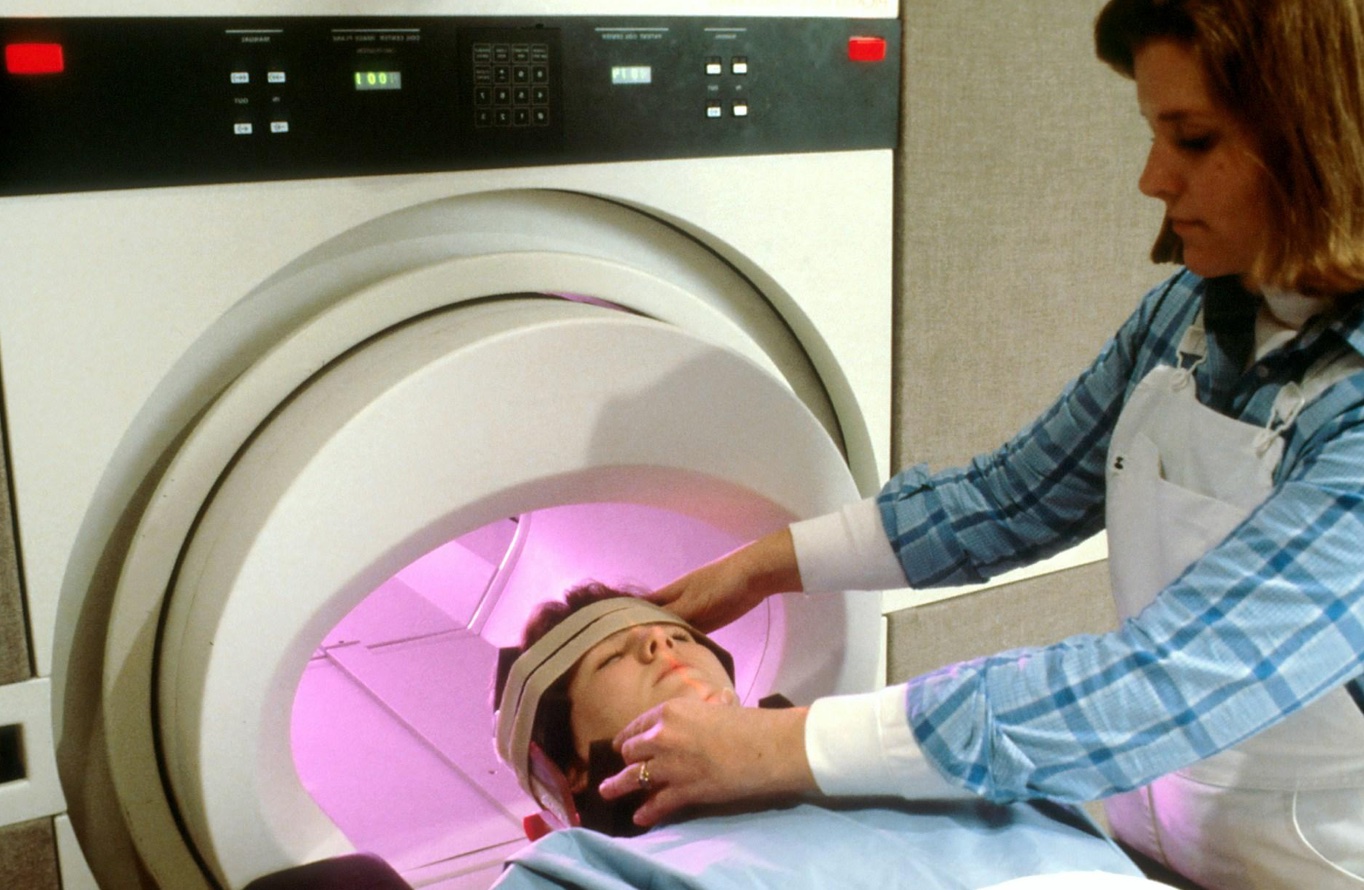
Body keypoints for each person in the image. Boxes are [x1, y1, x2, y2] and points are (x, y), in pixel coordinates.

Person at [597, 2, 1364, 888]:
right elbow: (1008, 501)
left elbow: (1155, 688)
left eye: (1191, 140)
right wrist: (760, 567)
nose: (1152, 179)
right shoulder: (1186, 318)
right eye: (1154, 134)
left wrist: (775, 744)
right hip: (1147, 847)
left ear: (1317, 144)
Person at [491, 583, 1163, 889]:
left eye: (677, 636)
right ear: (569, 771)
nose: (660, 646)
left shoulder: (904, 747)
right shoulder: (584, 869)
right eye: (612, 657)